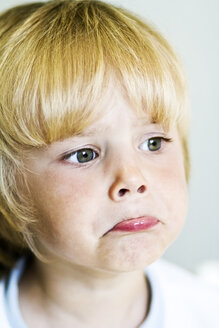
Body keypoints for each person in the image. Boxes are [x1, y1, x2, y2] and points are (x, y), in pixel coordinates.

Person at [0, 0, 218, 327]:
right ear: (9, 192)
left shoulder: (207, 309)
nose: (132, 178)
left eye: (153, 143)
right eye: (84, 154)